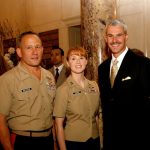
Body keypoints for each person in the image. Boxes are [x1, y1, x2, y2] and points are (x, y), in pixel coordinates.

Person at [98, 19, 150, 150]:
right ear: (106, 38)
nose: (114, 40)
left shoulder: (143, 64)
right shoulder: (102, 68)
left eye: (118, 35)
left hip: (137, 140)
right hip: (111, 141)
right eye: (110, 36)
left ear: (126, 36)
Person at [0, 31, 56, 150]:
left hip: (48, 139)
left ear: (42, 49)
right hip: (23, 141)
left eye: (37, 47)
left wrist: (55, 143)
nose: (35, 52)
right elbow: (1, 120)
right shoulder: (7, 79)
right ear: (19, 52)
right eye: (29, 48)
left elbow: (53, 115)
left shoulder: (49, 76)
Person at [53, 46, 101, 150]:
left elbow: (96, 117)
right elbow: (58, 125)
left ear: (86, 61)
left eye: (81, 58)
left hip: (94, 140)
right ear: (67, 63)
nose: (78, 62)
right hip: (74, 143)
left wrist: (100, 141)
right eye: (73, 58)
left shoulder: (94, 86)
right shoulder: (63, 89)